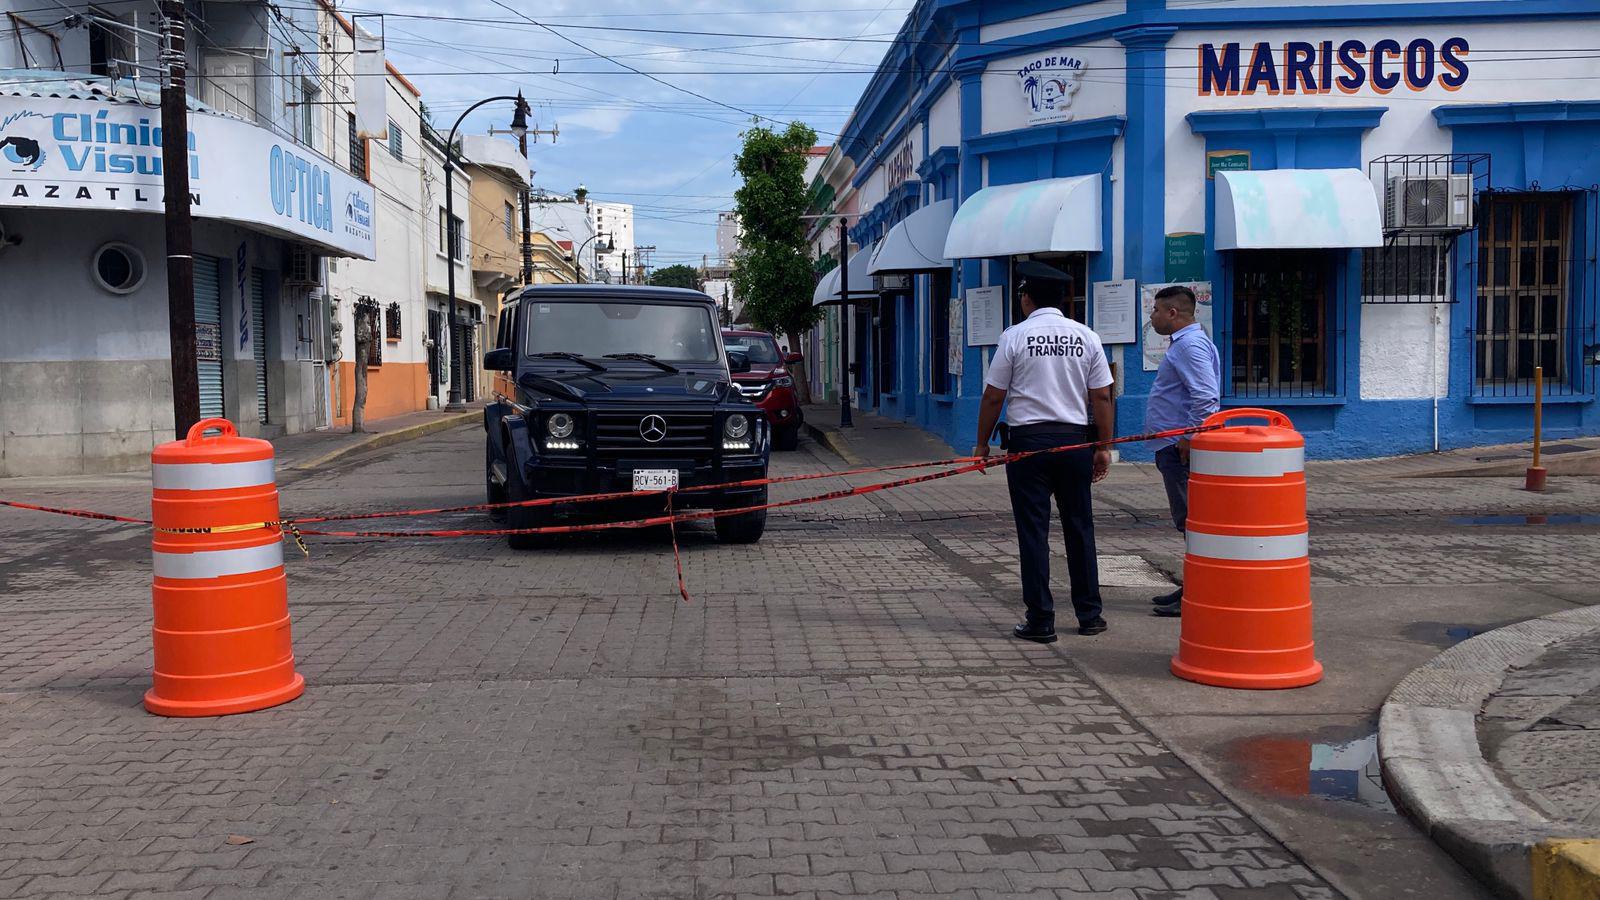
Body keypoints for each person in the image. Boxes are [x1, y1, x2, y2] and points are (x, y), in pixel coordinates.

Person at [974, 262, 1115, 643]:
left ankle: (1040, 620)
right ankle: (1090, 615)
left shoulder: (1015, 337)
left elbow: (993, 396)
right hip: (1075, 443)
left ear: (1026, 298)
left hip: (1029, 447)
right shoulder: (1086, 336)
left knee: (1033, 531)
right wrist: (1104, 446)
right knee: (1080, 527)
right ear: (1063, 299)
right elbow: (1102, 395)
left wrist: (982, 444)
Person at [1144, 284, 1221, 618]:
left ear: (1172, 313)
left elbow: (1205, 396)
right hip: (1173, 445)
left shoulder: (1189, 346)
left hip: (1181, 448)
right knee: (1188, 519)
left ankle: (1203, 591)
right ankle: (1194, 585)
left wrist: (1189, 438)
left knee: (1192, 520)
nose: (1152, 316)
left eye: (1156, 311)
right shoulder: (1187, 344)